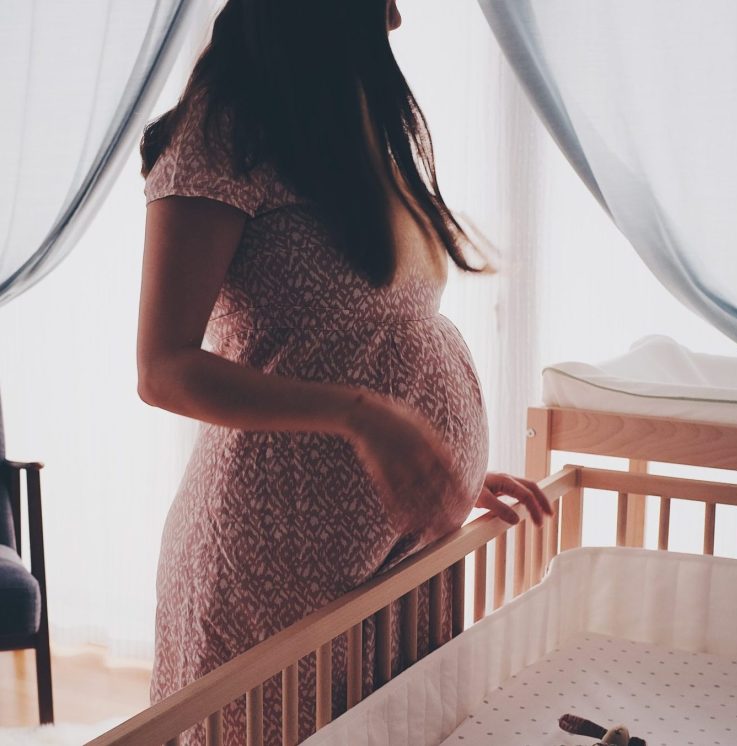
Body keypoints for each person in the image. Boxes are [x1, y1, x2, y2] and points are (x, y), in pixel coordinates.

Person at [136, 1, 551, 742]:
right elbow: (162, 368)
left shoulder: (351, 126)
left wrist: (434, 465)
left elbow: (366, 335)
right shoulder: (224, 131)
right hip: (273, 568)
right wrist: (363, 417)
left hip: (393, 560)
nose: (397, 14)